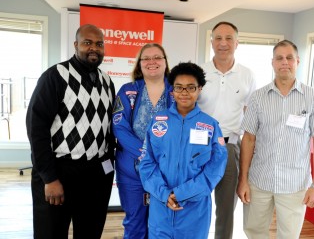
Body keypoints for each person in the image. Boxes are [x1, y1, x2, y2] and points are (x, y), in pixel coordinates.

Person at [26, 24, 116, 239]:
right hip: (60, 171)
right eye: (87, 43)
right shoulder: (55, 76)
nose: (93, 48)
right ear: (76, 45)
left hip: (95, 173)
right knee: (51, 232)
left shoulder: (106, 81)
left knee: (90, 231)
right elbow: (36, 129)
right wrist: (49, 178)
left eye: (99, 44)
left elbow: (108, 126)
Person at [237, 40, 314, 239]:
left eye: (289, 58)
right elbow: (248, 139)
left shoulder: (313, 98)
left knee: (289, 235)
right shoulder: (258, 97)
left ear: (297, 61)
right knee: (254, 232)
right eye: (279, 58)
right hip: (259, 181)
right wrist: (243, 180)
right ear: (272, 63)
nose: (284, 62)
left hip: (294, 185)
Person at [139, 62, 228, 238]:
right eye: (179, 87)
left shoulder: (210, 125)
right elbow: (147, 163)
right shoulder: (158, 121)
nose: (184, 93)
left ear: (199, 89)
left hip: (194, 212)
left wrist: (181, 194)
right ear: (172, 90)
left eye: (191, 87)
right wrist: (165, 194)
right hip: (161, 208)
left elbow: (215, 168)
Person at [197, 21, 256, 239]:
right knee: (196, 203)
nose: (223, 43)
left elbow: (251, 116)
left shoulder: (247, 75)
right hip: (199, 145)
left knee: (226, 210)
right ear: (211, 41)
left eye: (229, 38)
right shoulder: (199, 71)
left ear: (237, 43)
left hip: (230, 147)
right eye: (218, 38)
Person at [112, 43, 174, 238]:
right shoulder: (128, 90)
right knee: (135, 222)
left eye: (157, 57)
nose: (152, 62)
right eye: (146, 58)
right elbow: (119, 127)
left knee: (163, 223)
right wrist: (147, 154)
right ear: (139, 64)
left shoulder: (177, 91)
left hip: (167, 170)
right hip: (132, 170)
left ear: (165, 62)